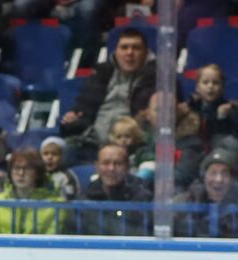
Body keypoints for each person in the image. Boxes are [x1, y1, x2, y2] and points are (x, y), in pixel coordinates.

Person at [59, 27, 156, 165]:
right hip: (94, 142)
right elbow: (83, 107)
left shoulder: (158, 78)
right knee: (63, 150)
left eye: (136, 48)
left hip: (132, 145)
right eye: (124, 47)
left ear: (146, 52)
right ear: (116, 52)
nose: (129, 53)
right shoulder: (101, 73)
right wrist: (73, 118)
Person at [0, 147, 66, 234]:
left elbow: (51, 242)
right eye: (16, 168)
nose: (21, 173)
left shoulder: (56, 205)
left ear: (37, 173)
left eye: (27, 168)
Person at [77, 142, 151, 235]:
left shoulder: (143, 197)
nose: (111, 168)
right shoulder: (84, 197)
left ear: (127, 167)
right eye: (106, 163)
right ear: (97, 166)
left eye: (118, 163)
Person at [39, 135, 78, 199]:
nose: (49, 157)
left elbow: (69, 199)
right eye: (46, 154)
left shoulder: (67, 176)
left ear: (62, 157)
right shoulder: (38, 174)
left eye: (54, 154)